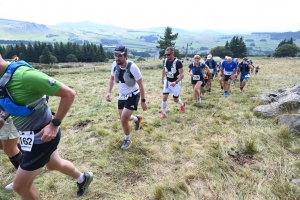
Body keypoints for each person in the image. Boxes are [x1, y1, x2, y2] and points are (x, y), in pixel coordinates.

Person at [0, 54, 93, 199]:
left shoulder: (24, 76)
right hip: (29, 136)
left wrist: (54, 125)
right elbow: (16, 101)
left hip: (42, 138)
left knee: (20, 186)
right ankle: (83, 178)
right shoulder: (2, 79)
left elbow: (69, 94)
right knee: (54, 164)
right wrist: (3, 116)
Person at [106, 45, 147, 150]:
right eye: (115, 55)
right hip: (122, 95)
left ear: (126, 56)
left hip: (133, 95)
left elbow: (141, 85)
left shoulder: (133, 67)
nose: (117, 58)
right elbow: (111, 79)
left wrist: (143, 101)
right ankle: (137, 118)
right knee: (125, 118)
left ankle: (127, 139)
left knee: (123, 119)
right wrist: (108, 92)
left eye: (120, 56)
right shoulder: (115, 64)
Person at [160, 47, 185, 118]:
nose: (167, 56)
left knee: (175, 99)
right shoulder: (165, 61)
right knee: (164, 97)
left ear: (173, 53)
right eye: (166, 55)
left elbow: (182, 74)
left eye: (168, 54)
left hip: (176, 83)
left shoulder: (178, 62)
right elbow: (164, 70)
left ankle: (182, 104)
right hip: (168, 82)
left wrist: (176, 82)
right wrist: (162, 79)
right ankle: (163, 113)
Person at [0, 112, 23, 190]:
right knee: (2, 145)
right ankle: (31, 161)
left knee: (9, 148)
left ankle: (24, 180)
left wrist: (3, 115)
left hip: (4, 114)